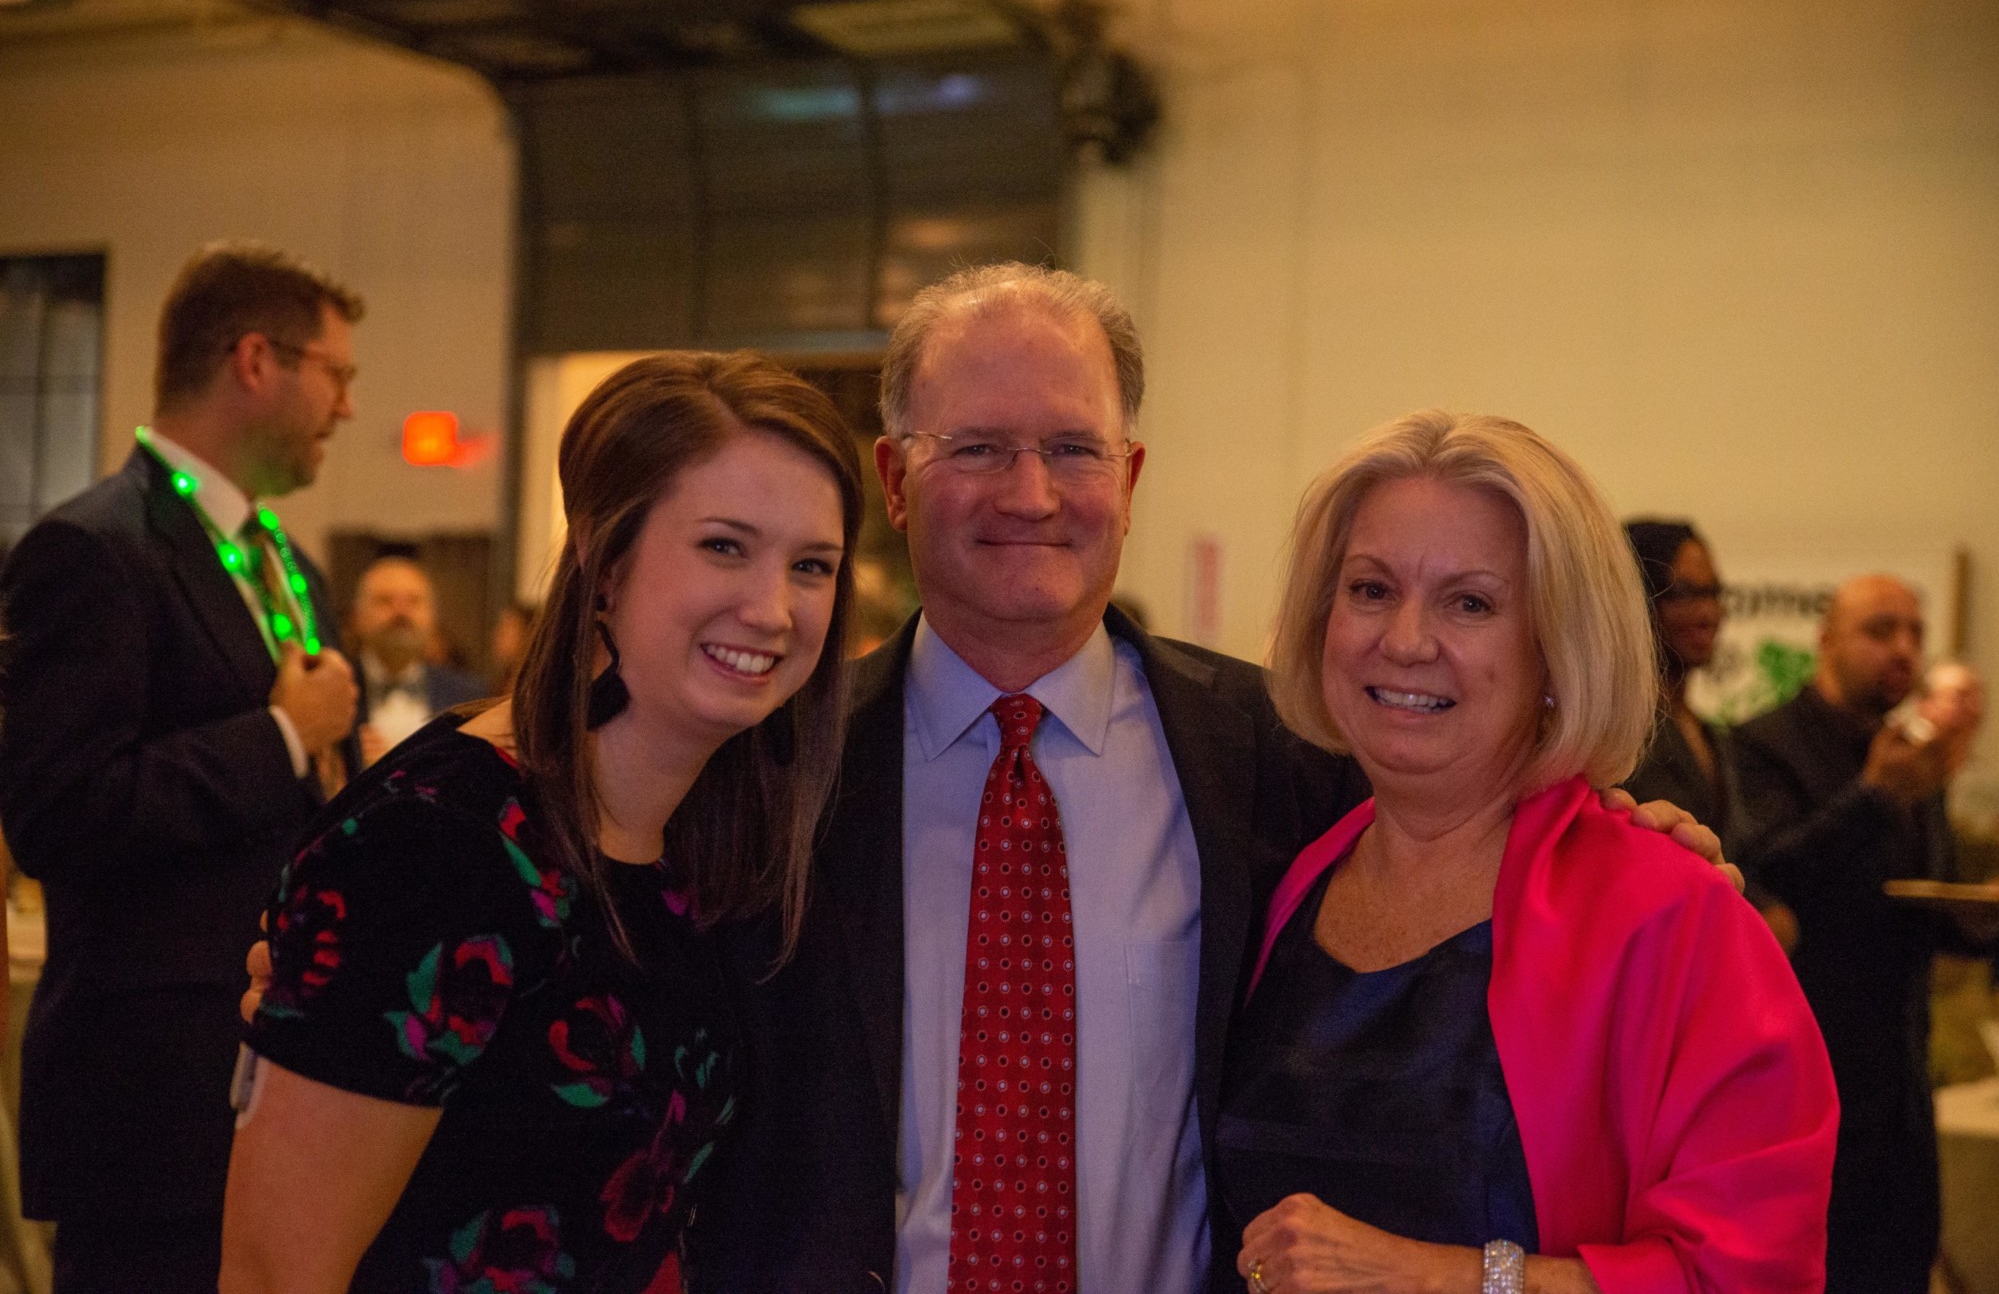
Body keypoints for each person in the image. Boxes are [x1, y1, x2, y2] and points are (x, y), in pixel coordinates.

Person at [689, 265, 1730, 1294]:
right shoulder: (763, 773)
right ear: (893, 476)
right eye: (976, 447)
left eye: (1071, 448)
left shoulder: (1285, 761)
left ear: (1130, 477)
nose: (1030, 492)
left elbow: (1463, 853)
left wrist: (1613, 845)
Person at [222, 351, 863, 1293]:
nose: (772, 609)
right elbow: (277, 1270)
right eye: (724, 545)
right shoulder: (441, 838)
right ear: (605, 565)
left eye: (812, 565)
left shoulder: (713, 834)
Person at [1223, 411, 1837, 1293]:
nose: (1404, 639)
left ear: (1558, 650)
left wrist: (1449, 1277)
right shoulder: (1281, 878)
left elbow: (1750, 1274)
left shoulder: (1676, 915)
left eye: (1469, 602)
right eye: (1369, 589)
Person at [0, 242, 363, 1293]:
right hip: (151, 1103)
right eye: (336, 374)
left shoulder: (287, 560)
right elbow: (58, 809)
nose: (345, 407)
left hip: (283, 1077)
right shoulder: (92, 549)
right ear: (256, 359)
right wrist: (282, 737)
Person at [1735, 574, 1993, 1294]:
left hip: (1903, 1080)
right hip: (1803, 1077)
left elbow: (1916, 898)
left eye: (1914, 632)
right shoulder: (1763, 745)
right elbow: (1766, 880)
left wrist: (1979, 919)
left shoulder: (1913, 752)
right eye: (1881, 631)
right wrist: (1876, 797)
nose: (1904, 649)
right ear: (1827, 640)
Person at [1620, 519, 1796, 952]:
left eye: (1714, 592)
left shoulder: (1710, 733)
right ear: (1635, 600)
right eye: (1683, 594)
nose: (1708, 612)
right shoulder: (1617, 734)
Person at [351, 551, 490, 763]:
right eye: (385, 601)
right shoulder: (332, 694)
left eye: (413, 601)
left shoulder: (469, 697)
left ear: (433, 616)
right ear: (357, 616)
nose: (400, 611)